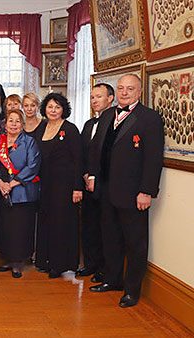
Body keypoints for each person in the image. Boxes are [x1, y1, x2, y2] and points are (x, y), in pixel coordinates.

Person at [87, 74, 164, 308]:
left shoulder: (149, 118)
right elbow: (97, 149)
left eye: (130, 89)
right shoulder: (108, 115)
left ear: (139, 92)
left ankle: (131, 291)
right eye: (120, 88)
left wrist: (146, 191)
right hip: (106, 189)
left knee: (135, 243)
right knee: (110, 238)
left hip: (133, 194)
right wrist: (92, 175)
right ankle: (112, 280)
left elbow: (153, 158)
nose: (124, 92)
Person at [32, 92, 83, 278]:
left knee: (61, 223)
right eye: (50, 107)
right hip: (45, 183)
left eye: (57, 107)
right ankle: (45, 260)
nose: (53, 110)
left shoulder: (70, 129)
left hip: (65, 185)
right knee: (46, 221)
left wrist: (78, 187)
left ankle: (60, 264)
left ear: (64, 110)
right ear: (45, 108)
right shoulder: (42, 127)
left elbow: (78, 160)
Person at [0, 110, 41, 278]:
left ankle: (19, 262)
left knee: (21, 228)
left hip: (22, 191)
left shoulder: (29, 142)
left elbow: (33, 166)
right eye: (11, 120)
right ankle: (9, 259)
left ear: (22, 124)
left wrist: (11, 183)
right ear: (5, 124)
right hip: (2, 191)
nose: (14, 124)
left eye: (18, 121)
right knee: (6, 227)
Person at [78, 83, 114, 283]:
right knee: (89, 225)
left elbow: (108, 156)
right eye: (92, 97)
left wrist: (94, 177)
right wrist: (85, 175)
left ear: (110, 99)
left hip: (104, 184)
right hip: (87, 183)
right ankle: (90, 264)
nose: (94, 101)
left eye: (98, 97)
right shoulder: (89, 124)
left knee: (104, 228)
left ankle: (103, 269)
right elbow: (84, 153)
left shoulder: (114, 123)